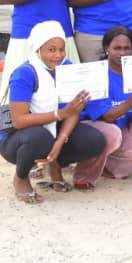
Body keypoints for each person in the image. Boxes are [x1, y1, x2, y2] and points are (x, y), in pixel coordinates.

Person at [1, 20, 107, 203]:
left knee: (95, 140)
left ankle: (54, 163)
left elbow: (74, 109)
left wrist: (60, 140)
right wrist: (60, 114)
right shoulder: (25, 73)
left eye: (61, 49)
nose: (58, 55)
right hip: (17, 139)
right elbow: (19, 120)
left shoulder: (67, 67)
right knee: (39, 137)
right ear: (38, 49)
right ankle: (21, 177)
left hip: (52, 131)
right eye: (51, 50)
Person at [81, 27, 132, 181]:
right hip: (92, 128)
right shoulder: (97, 74)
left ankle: (107, 167)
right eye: (117, 48)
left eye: (127, 48)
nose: (122, 53)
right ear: (106, 48)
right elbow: (108, 117)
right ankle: (84, 173)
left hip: (119, 128)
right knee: (112, 133)